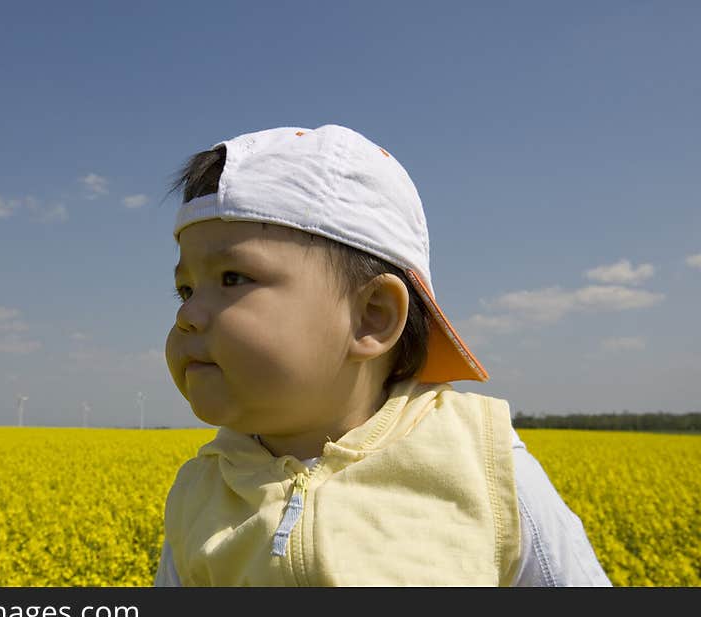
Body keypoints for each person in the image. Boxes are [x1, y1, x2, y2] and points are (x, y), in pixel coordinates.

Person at [156, 124, 611, 586]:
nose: (189, 314)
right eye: (185, 289)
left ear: (372, 317)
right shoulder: (200, 494)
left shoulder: (486, 470)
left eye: (232, 279)